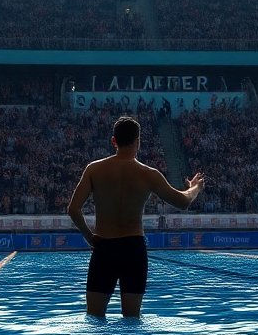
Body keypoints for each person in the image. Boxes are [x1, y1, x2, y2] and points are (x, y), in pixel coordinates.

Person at [67, 117, 205, 318]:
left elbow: (73, 209)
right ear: (138, 142)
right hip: (133, 249)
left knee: (94, 317)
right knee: (132, 319)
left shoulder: (94, 169)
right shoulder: (148, 174)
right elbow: (183, 202)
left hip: (103, 247)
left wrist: (90, 237)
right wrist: (195, 188)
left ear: (114, 141)